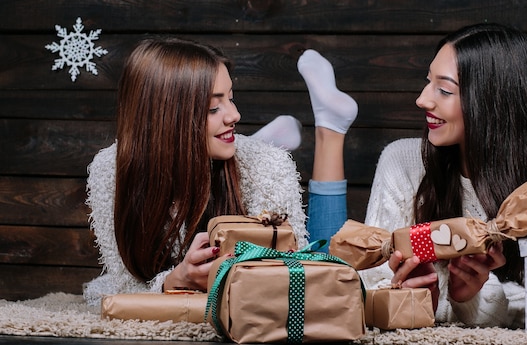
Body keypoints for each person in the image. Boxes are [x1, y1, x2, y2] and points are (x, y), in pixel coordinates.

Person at [83, 38, 357, 306]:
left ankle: (328, 129)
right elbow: (126, 285)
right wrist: (174, 281)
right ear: (167, 117)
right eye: (214, 107)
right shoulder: (111, 170)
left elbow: (295, 273)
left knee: (331, 280)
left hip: (251, 175)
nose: (235, 115)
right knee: (101, 294)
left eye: (231, 98)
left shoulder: (270, 165)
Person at [360, 23, 527, 329]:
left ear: (491, 101)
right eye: (428, 82)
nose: (423, 100)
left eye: (444, 89)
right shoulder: (401, 160)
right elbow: (368, 283)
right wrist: (421, 300)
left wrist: (475, 296)